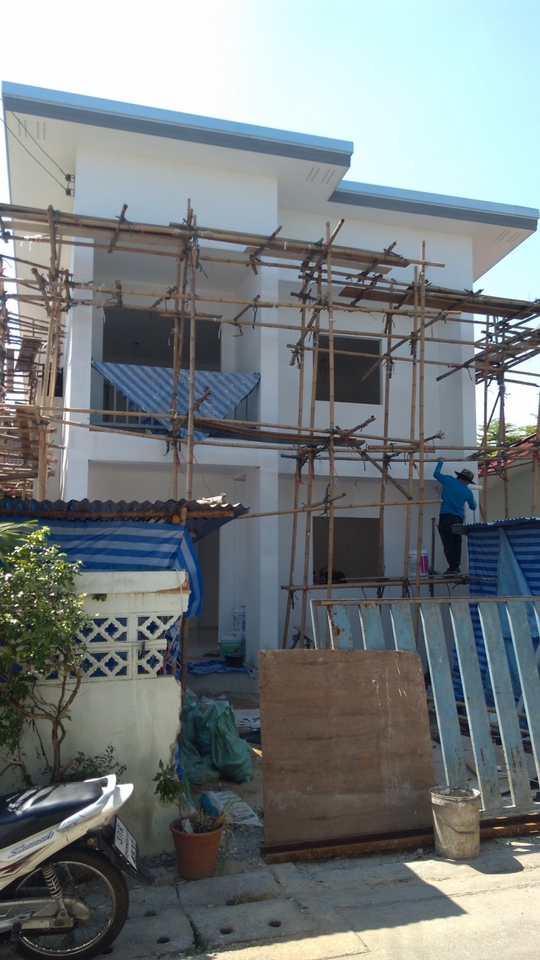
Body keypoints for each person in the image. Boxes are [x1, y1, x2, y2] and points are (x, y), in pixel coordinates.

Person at [433, 460, 477, 574]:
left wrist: (441, 461)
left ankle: (453, 568)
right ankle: (456, 566)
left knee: (447, 543)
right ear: (467, 480)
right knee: (457, 543)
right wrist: (472, 500)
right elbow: (473, 507)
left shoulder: (448, 480)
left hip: (445, 517)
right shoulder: (468, 492)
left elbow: (436, 474)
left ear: (459, 476)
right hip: (458, 519)